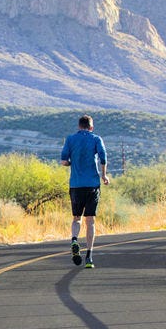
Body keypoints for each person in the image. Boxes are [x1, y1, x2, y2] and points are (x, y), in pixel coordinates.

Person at [60, 114, 110, 269]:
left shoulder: (70, 139)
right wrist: (104, 175)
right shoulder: (96, 139)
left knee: (76, 218)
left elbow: (63, 161)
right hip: (92, 185)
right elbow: (103, 158)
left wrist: (72, 163)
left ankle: (74, 239)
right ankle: (89, 256)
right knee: (91, 221)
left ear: (79, 126)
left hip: (75, 185)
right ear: (91, 127)